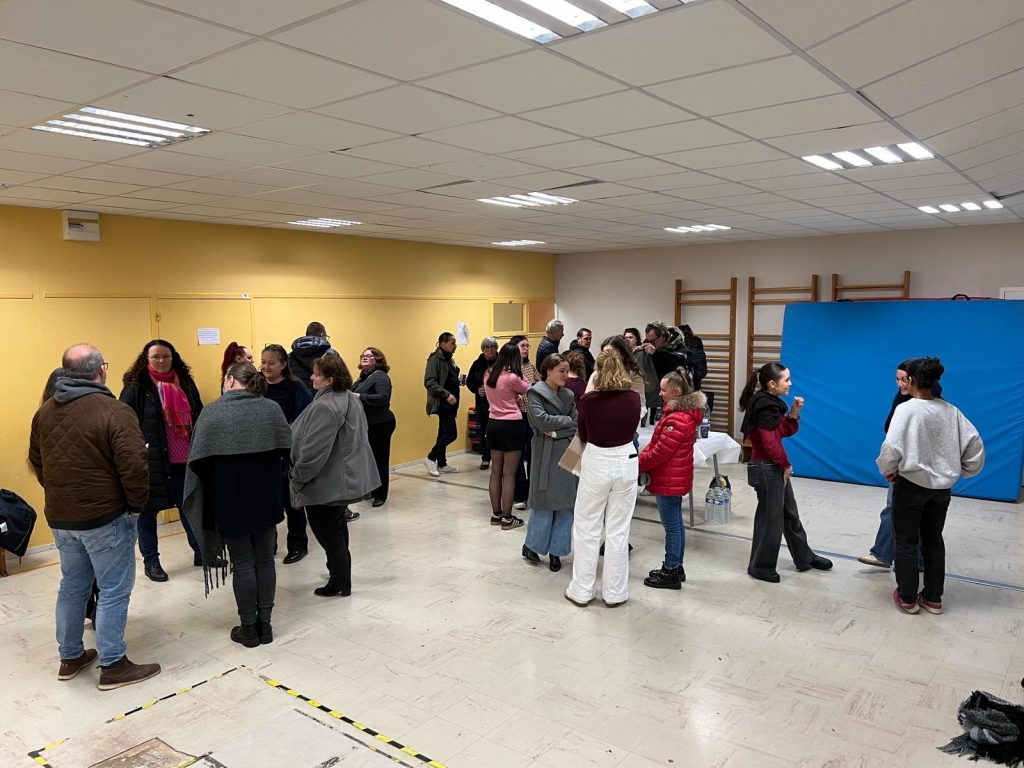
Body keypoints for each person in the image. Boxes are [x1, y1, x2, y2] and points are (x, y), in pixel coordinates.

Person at [28, 344, 160, 690]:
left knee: (72, 586)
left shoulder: (44, 412)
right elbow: (134, 466)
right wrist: (135, 506)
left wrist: (61, 493)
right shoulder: (114, 410)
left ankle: (70, 656)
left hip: (62, 518)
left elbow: (37, 462)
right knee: (114, 589)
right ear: (101, 370)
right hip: (106, 517)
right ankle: (113, 664)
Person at [182, 363, 291, 647]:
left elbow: (198, 464)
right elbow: (286, 450)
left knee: (242, 562)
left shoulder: (212, 412)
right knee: (265, 559)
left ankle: (248, 629)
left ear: (230, 380)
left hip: (230, 499)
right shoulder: (271, 409)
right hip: (266, 496)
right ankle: (265, 625)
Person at [877, 357, 984, 615]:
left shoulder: (907, 410)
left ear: (912, 380)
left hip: (910, 485)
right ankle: (933, 598)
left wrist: (889, 470)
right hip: (941, 490)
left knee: (906, 541)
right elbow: (975, 444)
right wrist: (962, 470)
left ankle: (907, 597)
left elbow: (891, 447)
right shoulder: (951, 411)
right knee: (933, 540)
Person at [290, 354, 380, 597]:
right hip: (342, 480)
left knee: (329, 536)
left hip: (325, 484)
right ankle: (341, 578)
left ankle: (339, 582)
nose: (311, 377)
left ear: (330, 380)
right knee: (337, 531)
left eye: (316, 374)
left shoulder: (325, 406)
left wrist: (297, 477)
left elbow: (314, 452)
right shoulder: (349, 398)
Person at [119, 339, 205, 582]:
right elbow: (124, 424)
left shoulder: (185, 383)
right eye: (155, 357)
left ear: (173, 357)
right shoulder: (136, 387)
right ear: (146, 360)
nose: (161, 361)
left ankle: (201, 552)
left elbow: (199, 415)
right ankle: (152, 563)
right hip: (151, 462)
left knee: (189, 507)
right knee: (147, 514)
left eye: (166, 356)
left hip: (184, 458)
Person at [739, 362, 832, 583]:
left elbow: (783, 431)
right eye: (786, 380)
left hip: (772, 467)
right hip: (766, 468)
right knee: (770, 520)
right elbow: (770, 443)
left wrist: (793, 413)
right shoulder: (765, 406)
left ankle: (804, 556)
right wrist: (785, 465)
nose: (790, 383)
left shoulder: (771, 403)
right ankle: (760, 566)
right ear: (772, 384)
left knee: (789, 513)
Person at [565, 351, 641, 608]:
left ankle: (582, 590)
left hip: (597, 459)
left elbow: (584, 435)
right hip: (627, 460)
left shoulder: (588, 401)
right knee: (619, 530)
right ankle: (615, 593)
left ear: (596, 371)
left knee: (587, 526)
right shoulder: (633, 397)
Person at [639, 368, 705, 589]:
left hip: (669, 480)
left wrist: (637, 463)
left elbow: (660, 452)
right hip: (673, 478)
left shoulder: (677, 419)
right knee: (675, 524)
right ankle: (676, 566)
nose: (660, 394)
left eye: (663, 390)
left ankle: (670, 571)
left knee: (672, 526)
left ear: (676, 391)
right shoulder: (680, 415)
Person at [858, 361, 926, 570]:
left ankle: (915, 560)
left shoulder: (922, 405)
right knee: (893, 509)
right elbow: (892, 433)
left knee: (915, 514)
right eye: (897, 379)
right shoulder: (901, 398)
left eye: (904, 379)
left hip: (915, 468)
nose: (899, 384)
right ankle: (884, 553)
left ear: (915, 380)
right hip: (901, 465)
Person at [523, 354, 578, 572]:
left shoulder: (568, 395)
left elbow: (576, 423)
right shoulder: (534, 393)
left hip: (570, 450)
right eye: (561, 371)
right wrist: (565, 422)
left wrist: (556, 431)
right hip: (545, 453)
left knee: (566, 504)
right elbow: (541, 421)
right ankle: (533, 546)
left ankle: (557, 551)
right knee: (543, 504)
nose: (566, 375)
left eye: (567, 370)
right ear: (548, 371)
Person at [261, 343, 313, 562]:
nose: (266, 367)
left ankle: (298, 545)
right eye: (263, 362)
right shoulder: (256, 385)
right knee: (266, 502)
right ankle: (268, 544)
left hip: (287, 453)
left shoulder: (296, 388)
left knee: (292, 502)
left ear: (283, 365)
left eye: (271, 363)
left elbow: (305, 420)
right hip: (263, 453)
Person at [484, 342, 530, 530]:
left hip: (493, 423)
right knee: (509, 474)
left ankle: (496, 514)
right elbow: (528, 387)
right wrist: (520, 374)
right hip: (511, 425)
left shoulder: (489, 374)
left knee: (496, 471)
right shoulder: (512, 377)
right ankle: (508, 518)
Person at [352, 346, 396, 508]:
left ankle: (380, 494)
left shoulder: (380, 376)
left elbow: (383, 398)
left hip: (381, 423)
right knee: (368, 460)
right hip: (367, 424)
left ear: (378, 360)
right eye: (363, 355)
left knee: (379, 459)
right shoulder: (363, 377)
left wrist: (359, 396)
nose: (365, 357)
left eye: (370, 356)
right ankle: (371, 489)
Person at [423, 332, 461, 477]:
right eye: (452, 343)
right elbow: (429, 382)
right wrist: (447, 394)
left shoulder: (449, 359)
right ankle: (430, 458)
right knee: (451, 434)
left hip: (451, 403)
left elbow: (449, 377)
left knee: (443, 433)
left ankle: (442, 463)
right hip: (443, 403)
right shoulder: (435, 359)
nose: (455, 346)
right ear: (443, 343)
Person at [510, 335, 540, 509]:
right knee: (518, 456)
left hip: (531, 414)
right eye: (523, 346)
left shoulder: (529, 366)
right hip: (517, 415)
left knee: (533, 454)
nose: (526, 349)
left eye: (528, 346)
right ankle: (519, 493)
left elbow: (538, 382)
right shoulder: (510, 369)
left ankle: (531, 492)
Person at [466, 337, 498, 470]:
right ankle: (485, 457)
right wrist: (477, 389)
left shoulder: (501, 363)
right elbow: (469, 381)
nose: (490, 350)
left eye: (492, 347)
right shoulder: (477, 363)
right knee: (484, 431)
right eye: (487, 347)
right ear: (483, 350)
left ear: (496, 349)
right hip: (483, 405)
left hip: (498, 404)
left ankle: (498, 458)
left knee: (497, 432)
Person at [289, 322, 333, 395]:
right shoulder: (331, 355)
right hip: (324, 397)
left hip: (297, 398)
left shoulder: (290, 356)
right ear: (322, 335)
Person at [679, 325, 707, 391]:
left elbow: (702, 371)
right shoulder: (678, 348)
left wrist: (691, 379)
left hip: (691, 386)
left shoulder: (696, 350)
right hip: (678, 384)